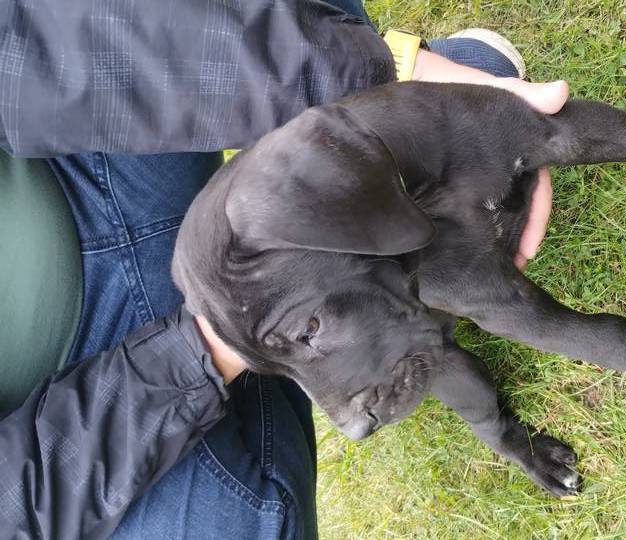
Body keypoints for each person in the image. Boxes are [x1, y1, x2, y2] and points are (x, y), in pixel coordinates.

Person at [0, 1, 567, 538]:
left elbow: (28, 48)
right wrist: (215, 346)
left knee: (292, 70)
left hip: (69, 169)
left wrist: (378, 76)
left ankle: (407, 100)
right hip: (73, 397)